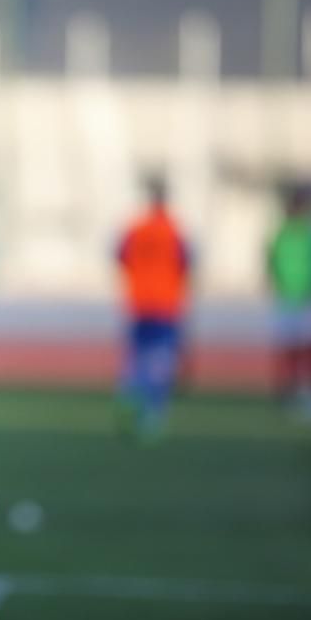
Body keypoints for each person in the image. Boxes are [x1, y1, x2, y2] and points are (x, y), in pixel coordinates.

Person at [115, 174, 191, 442]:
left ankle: (132, 397)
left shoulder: (136, 228)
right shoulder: (174, 230)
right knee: (160, 357)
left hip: (139, 300)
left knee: (138, 355)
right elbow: (186, 262)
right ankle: (153, 411)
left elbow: (120, 255)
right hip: (166, 303)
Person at [266, 180, 311, 418]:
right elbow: (271, 262)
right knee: (292, 349)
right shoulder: (281, 233)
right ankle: (292, 393)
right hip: (289, 300)